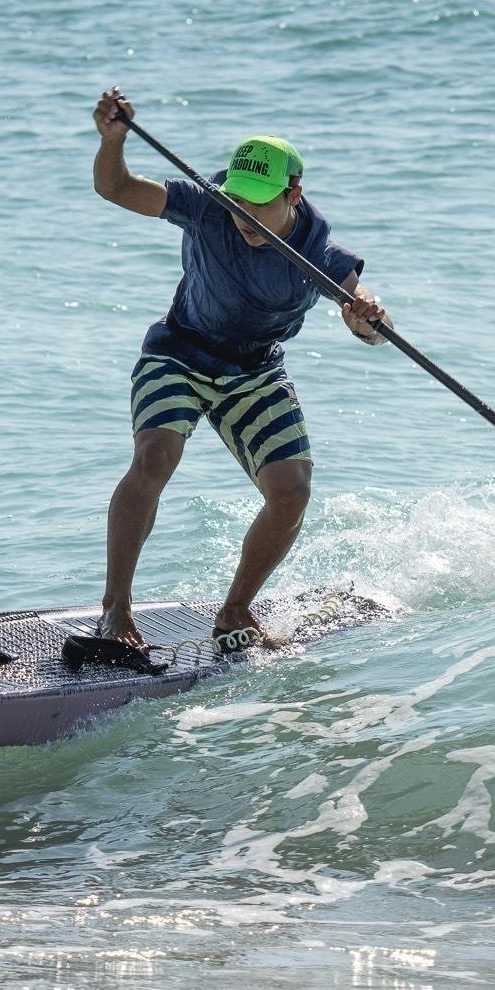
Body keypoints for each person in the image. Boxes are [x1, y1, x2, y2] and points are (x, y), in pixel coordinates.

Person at [90, 87, 389, 651]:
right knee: (155, 455)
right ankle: (116, 610)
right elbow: (116, 188)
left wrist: (367, 316)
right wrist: (113, 142)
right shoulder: (205, 205)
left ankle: (235, 610)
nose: (243, 216)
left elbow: (368, 322)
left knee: (292, 489)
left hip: (254, 372)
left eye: (258, 204)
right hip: (178, 353)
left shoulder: (319, 252)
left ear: (293, 193)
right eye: (237, 201)